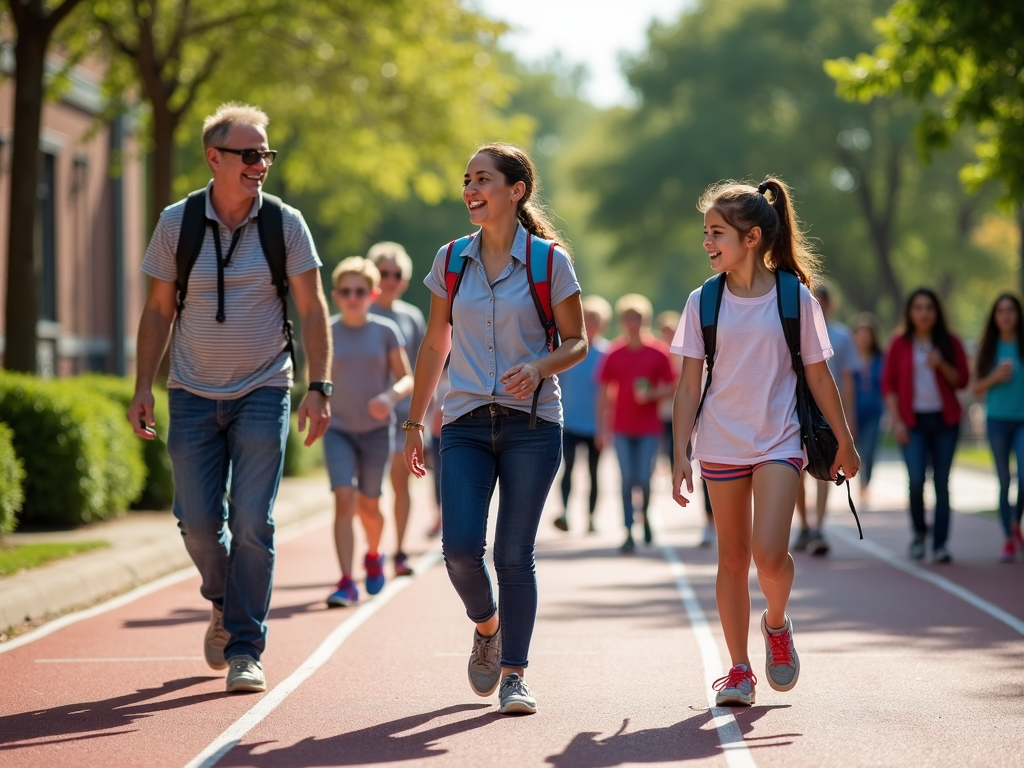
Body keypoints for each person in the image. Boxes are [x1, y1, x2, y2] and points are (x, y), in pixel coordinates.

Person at [127, 103, 331, 693]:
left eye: (265, 153)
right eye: (248, 154)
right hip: (190, 391)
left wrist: (319, 386)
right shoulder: (177, 222)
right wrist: (143, 385)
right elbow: (159, 309)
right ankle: (222, 599)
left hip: (265, 387)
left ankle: (246, 646)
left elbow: (313, 308)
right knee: (195, 523)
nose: (259, 164)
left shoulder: (285, 223)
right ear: (214, 158)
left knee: (252, 523)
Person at [402, 143, 586, 715]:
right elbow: (437, 341)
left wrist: (537, 366)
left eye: (483, 179)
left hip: (532, 424)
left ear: (516, 190)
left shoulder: (548, 261)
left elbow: (577, 342)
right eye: (467, 180)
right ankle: (487, 627)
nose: (471, 189)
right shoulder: (451, 259)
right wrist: (414, 419)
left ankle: (515, 674)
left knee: (513, 553)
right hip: (462, 423)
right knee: (459, 549)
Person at [670, 177, 859, 708]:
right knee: (731, 559)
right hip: (721, 444)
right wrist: (679, 451)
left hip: (779, 440)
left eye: (716, 233)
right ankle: (738, 670)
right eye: (705, 233)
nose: (707, 243)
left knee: (769, 556)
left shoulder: (794, 297)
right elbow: (688, 385)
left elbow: (821, 377)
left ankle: (776, 623)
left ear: (751, 238)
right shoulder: (701, 301)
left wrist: (845, 442)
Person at [324, 257, 413, 607]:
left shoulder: (386, 331)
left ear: (373, 294)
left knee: (369, 503)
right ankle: (346, 580)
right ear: (335, 295)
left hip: (377, 430)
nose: (353, 297)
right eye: (345, 291)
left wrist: (389, 396)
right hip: (338, 430)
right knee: (343, 498)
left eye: (360, 291)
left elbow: (407, 378)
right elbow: (314, 380)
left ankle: (374, 553)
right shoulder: (327, 332)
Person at [882, 288, 969, 563]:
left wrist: (940, 364)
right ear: (910, 312)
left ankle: (941, 543)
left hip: (945, 422)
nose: (924, 313)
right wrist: (897, 421)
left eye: (929, 308)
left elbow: (962, 381)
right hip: (913, 422)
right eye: (918, 307)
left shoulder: (950, 342)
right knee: (917, 479)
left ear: (937, 312)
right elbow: (889, 384)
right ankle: (920, 534)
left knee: (941, 483)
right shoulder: (899, 343)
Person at [597, 295, 677, 553]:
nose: (634, 323)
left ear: (646, 320)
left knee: (643, 478)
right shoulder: (615, 352)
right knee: (626, 478)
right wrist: (602, 427)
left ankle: (646, 519)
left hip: (648, 428)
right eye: (629, 318)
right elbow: (603, 390)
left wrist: (652, 395)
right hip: (621, 427)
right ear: (622, 322)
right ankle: (629, 529)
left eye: (638, 318)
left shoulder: (658, 352)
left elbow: (674, 385)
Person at [367, 241, 427, 577]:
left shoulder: (411, 317)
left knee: (400, 484)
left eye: (396, 274)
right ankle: (372, 548)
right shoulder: (361, 312)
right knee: (369, 490)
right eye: (383, 272)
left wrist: (424, 414)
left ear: (404, 280)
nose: (390, 279)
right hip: (365, 415)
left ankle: (400, 551)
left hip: (403, 415)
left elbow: (423, 367)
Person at [793, 281, 857, 556]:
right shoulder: (794, 329)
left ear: (830, 304)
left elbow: (846, 379)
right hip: (798, 409)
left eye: (822, 299)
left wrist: (847, 422)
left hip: (828, 413)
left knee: (824, 471)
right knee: (795, 472)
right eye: (812, 299)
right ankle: (805, 525)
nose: (816, 303)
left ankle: (819, 526)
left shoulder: (842, 337)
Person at [972, 293, 1024, 562]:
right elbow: (976, 387)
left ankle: (1016, 521)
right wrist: (994, 377)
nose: (1006, 315)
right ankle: (1007, 538)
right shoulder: (989, 348)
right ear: (994, 316)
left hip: (1022, 421)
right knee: (1004, 481)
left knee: (1023, 476)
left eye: (1011, 310)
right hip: (998, 421)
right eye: (1001, 310)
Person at [553, 295, 612, 534]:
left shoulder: (607, 353)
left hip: (595, 425)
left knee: (593, 473)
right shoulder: (568, 349)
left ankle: (590, 518)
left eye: (596, 318)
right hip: (568, 423)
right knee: (566, 468)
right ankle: (565, 513)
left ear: (604, 322)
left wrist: (605, 428)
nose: (591, 321)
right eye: (587, 316)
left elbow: (610, 394)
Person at [657, 310, 715, 548]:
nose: (669, 335)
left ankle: (714, 523)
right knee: (685, 463)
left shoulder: (700, 349)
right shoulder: (665, 355)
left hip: (704, 416)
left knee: (708, 472)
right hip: (674, 417)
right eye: (666, 332)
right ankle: (711, 523)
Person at [850, 312, 885, 507]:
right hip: (852, 413)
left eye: (867, 334)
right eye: (859, 334)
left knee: (869, 451)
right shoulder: (848, 359)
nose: (863, 338)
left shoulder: (881, 359)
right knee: (851, 449)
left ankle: (865, 485)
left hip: (874, 413)